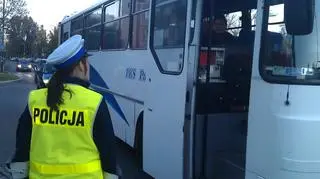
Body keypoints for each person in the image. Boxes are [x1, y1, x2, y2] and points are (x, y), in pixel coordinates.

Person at [3, 35, 120, 179]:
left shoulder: (35, 99)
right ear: (81, 65)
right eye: (87, 62)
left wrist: (18, 174)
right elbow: (108, 153)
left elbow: (22, 146)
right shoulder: (95, 102)